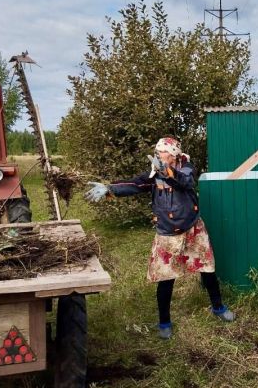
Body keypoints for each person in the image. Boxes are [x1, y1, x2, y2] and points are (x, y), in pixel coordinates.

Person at [85, 137, 235, 340]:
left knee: (207, 269)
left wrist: (167, 172)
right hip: (167, 233)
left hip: (193, 229)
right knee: (166, 279)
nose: (158, 154)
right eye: (157, 151)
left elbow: (187, 182)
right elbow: (134, 184)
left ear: (173, 154)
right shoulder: (154, 174)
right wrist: (110, 188)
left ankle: (218, 307)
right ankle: (164, 322)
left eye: (162, 152)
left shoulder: (186, 167)